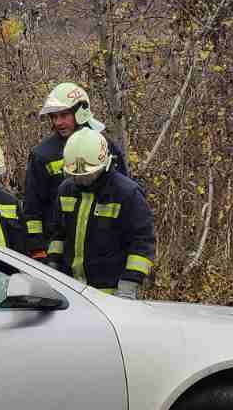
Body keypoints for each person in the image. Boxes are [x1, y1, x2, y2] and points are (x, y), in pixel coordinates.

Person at [20, 82, 129, 260]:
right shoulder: (42, 155)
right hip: (61, 248)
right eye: (54, 117)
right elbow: (32, 208)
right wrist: (37, 249)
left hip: (105, 247)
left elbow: (124, 193)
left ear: (81, 113)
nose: (58, 122)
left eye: (64, 115)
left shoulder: (105, 146)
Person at [45, 127, 155, 297]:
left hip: (111, 294)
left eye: (87, 174)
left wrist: (129, 285)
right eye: (75, 175)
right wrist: (52, 266)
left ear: (105, 164)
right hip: (71, 289)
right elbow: (57, 234)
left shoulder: (126, 193)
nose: (81, 179)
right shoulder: (66, 190)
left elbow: (143, 242)